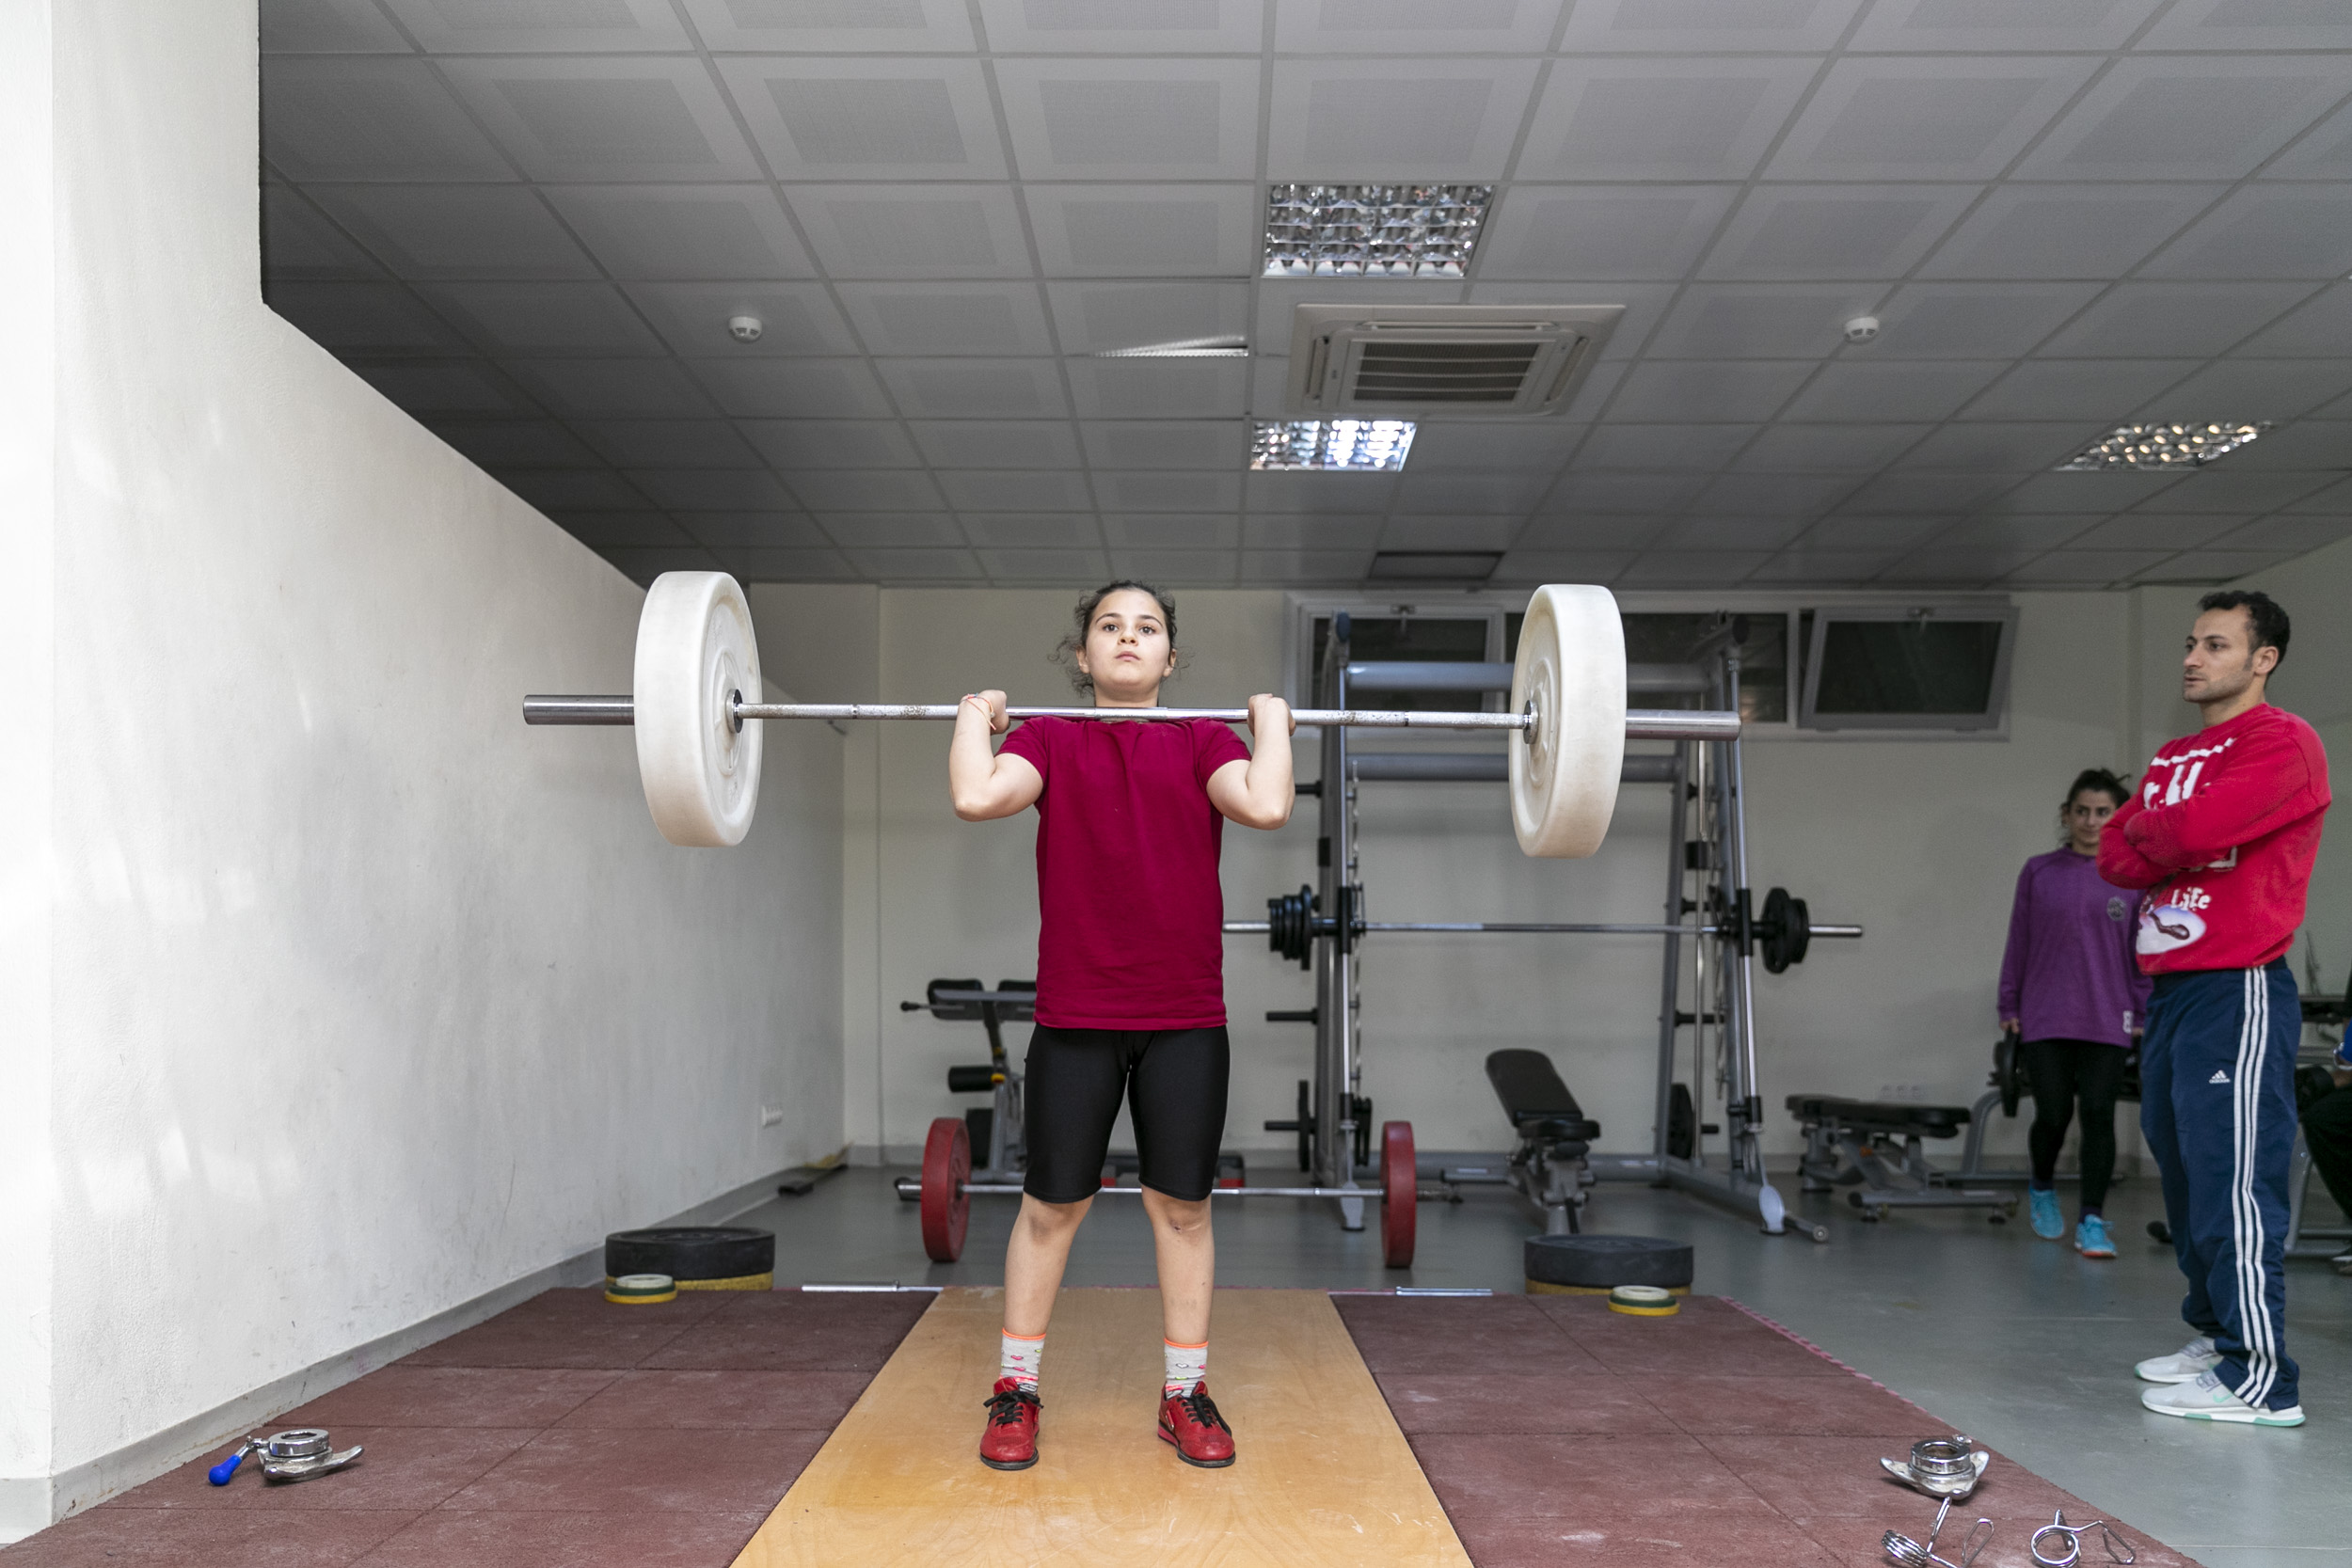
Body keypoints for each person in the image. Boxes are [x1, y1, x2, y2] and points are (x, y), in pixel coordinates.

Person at [947, 582, 1294, 1473]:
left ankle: (1184, 1395)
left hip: (1185, 1017)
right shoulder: (1050, 739)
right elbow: (977, 795)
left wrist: (1272, 723)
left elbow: (1265, 804)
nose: (1128, 637)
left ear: (1170, 656)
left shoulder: (1203, 739)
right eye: (1110, 626)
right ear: (1084, 654)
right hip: (1077, 1014)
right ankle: (1016, 1389)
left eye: (1147, 627)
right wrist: (976, 714)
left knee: (1182, 1209)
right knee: (1050, 1208)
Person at [2100, 589, 2329, 1428]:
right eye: (2192, 643)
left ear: (2264, 659)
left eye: (2217, 645)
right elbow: (2115, 853)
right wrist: (2175, 832)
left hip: (2239, 983)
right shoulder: (2174, 756)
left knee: (2236, 1178)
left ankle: (2262, 1375)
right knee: (2187, 1170)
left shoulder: (2284, 742)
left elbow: (2186, 836)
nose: (2194, 658)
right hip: (2172, 988)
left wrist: (2173, 834)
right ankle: (2219, 1336)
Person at [1997, 768, 2152, 1258]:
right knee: (2054, 1113)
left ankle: (2092, 1220)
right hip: (2046, 1014)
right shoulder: (2039, 871)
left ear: (2119, 818)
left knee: (2099, 1114)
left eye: (2102, 812)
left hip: (2108, 1014)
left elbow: (2142, 952)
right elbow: (2019, 940)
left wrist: (2142, 1010)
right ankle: (2042, 1186)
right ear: (2066, 815)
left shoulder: (2133, 877)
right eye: (2081, 811)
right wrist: (2009, 1003)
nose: (2090, 821)